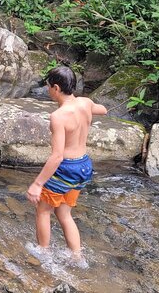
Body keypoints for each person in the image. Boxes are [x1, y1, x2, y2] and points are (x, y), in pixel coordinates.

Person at [25, 66, 107, 261]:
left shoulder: (58, 117)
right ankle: (77, 256)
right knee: (64, 213)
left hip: (66, 169)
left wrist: (37, 184)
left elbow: (57, 157)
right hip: (84, 166)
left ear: (56, 88)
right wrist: (91, 110)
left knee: (43, 211)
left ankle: (43, 253)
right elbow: (103, 110)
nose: (47, 90)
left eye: (48, 87)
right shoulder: (85, 103)